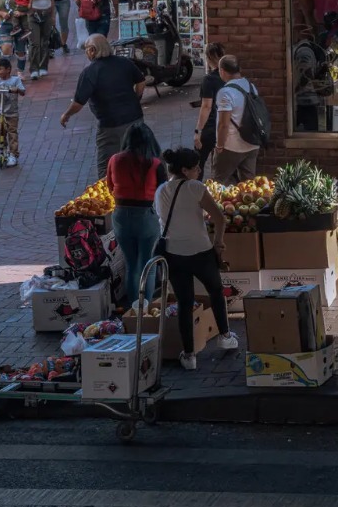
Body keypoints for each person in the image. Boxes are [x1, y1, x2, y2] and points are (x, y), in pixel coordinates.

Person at [156, 148, 239, 367]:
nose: (199, 171)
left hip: (173, 254)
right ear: (184, 170)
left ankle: (189, 355)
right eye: (196, 168)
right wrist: (218, 242)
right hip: (201, 252)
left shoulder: (161, 191)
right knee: (216, 292)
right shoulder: (196, 188)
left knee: (184, 302)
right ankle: (225, 337)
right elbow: (220, 218)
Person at [61, 34, 148, 180]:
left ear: (93, 50)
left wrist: (66, 115)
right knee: (137, 157)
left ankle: (108, 197)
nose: (86, 53)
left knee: (106, 165)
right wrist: (136, 98)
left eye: (87, 50)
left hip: (110, 125)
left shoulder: (90, 72)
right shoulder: (124, 62)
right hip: (135, 118)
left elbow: (78, 103)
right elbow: (141, 82)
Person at [107, 123, 166, 308]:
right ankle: (145, 310)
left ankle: (132, 309)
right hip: (147, 216)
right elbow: (162, 192)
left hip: (121, 215)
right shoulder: (155, 163)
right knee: (148, 265)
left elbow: (110, 187)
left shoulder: (115, 159)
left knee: (131, 264)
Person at [213, 55, 262, 184]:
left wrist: (219, 145)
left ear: (222, 71)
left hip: (231, 145)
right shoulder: (251, 87)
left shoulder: (226, 92)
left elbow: (223, 124)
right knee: (248, 186)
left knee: (218, 184)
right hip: (252, 142)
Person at [190, 43, 225, 177]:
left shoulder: (209, 79)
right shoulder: (229, 77)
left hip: (211, 126)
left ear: (209, 58)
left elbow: (206, 107)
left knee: (198, 161)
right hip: (227, 126)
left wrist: (198, 131)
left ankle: (196, 189)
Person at [0, 56, 25, 168]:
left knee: (12, 133)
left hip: (12, 112)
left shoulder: (15, 80)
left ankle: (13, 154)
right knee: (1, 129)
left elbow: (23, 92)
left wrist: (17, 90)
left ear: (8, 69)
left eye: (0, 69)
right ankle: (2, 149)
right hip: (0, 111)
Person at [25, 0, 57, 80]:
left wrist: (53, 16)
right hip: (33, 16)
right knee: (35, 43)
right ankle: (34, 69)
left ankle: (43, 66)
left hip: (47, 15)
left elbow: (52, 0)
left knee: (45, 42)